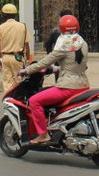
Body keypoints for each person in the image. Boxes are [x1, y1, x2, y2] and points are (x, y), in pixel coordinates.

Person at [20, 14, 89, 145]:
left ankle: (43, 134)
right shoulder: (83, 43)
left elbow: (44, 62)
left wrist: (27, 70)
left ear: (61, 29)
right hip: (83, 85)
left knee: (34, 101)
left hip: (67, 87)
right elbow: (79, 64)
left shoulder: (64, 44)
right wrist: (59, 69)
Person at [0, 3, 30, 93]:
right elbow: (27, 46)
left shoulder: (0, 28)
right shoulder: (22, 26)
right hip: (18, 58)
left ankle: (9, 101)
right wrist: (28, 59)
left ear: (4, 15)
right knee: (19, 81)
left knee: (7, 82)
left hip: (5, 58)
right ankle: (19, 100)